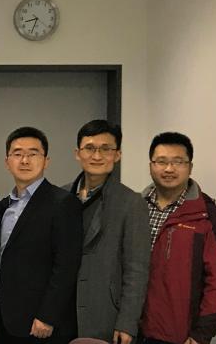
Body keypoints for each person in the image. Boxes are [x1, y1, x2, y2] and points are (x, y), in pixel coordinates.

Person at [139, 132, 216, 344]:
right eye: (161, 161)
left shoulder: (208, 217)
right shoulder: (135, 208)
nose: (169, 169)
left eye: (178, 162)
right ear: (151, 166)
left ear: (190, 167)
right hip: (131, 329)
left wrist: (201, 334)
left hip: (178, 334)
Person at [61, 120, 150, 344]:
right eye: (89, 148)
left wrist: (127, 322)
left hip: (104, 311)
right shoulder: (60, 197)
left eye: (106, 149)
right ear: (77, 153)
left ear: (117, 155)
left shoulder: (131, 203)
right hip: (61, 310)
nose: (97, 156)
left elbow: (137, 270)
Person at [0, 127, 81, 344]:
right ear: (7, 162)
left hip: (41, 324)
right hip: (7, 319)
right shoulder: (2, 206)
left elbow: (66, 266)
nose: (25, 160)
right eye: (17, 154)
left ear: (46, 161)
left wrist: (48, 316)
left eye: (33, 154)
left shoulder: (63, 203)